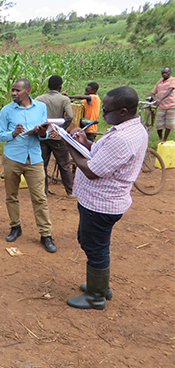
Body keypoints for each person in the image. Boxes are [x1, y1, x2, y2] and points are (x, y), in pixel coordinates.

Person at [63, 86, 148, 310]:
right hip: (101, 201)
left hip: (101, 204)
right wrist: (84, 142)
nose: (102, 115)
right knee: (91, 242)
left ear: (122, 111)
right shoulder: (128, 129)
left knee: (95, 247)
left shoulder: (123, 137)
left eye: (106, 111)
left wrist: (69, 145)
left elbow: (92, 170)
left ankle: (96, 296)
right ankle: (100, 285)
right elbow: (101, 155)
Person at [0, 79, 57, 253]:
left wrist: (42, 132)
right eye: (12, 90)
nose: (14, 93)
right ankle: (15, 226)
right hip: (12, 158)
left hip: (35, 158)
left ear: (28, 91)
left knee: (40, 197)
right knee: (11, 195)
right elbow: (0, 136)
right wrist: (12, 133)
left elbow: (44, 133)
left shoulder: (40, 107)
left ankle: (46, 234)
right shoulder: (6, 110)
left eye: (18, 90)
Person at [36, 75, 75, 197]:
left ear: (48, 86)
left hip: (43, 136)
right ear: (60, 87)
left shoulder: (39, 99)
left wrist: (42, 129)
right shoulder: (64, 99)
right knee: (64, 165)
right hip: (57, 137)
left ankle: (43, 192)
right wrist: (60, 129)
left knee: (42, 164)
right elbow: (70, 116)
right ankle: (70, 192)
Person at [150, 66, 175, 142]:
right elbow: (153, 93)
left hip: (171, 105)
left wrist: (160, 99)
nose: (164, 74)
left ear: (169, 72)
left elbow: (169, 91)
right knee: (159, 125)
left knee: (169, 124)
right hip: (162, 107)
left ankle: (164, 139)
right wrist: (155, 100)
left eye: (166, 73)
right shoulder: (159, 82)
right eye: (163, 73)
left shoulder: (172, 80)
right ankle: (160, 138)